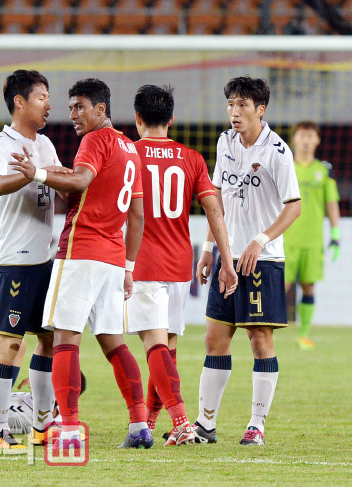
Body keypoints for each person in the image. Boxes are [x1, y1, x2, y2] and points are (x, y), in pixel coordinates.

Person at [11, 78, 151, 449]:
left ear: (100, 109)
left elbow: (82, 180)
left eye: (79, 107)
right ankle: (139, 426)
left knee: (64, 340)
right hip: (111, 258)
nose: (72, 114)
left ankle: (69, 428)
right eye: (70, 107)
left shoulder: (96, 140)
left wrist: (37, 173)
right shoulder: (129, 148)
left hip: (79, 251)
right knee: (114, 344)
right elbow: (137, 216)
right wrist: (128, 266)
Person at [195, 76, 301, 446]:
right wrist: (208, 247)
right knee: (215, 339)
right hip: (228, 256)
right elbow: (217, 198)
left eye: (242, 105)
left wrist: (261, 239)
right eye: (230, 105)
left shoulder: (278, 151)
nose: (234, 112)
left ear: (261, 110)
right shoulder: (225, 143)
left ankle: (256, 425)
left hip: (263, 260)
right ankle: (204, 425)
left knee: (259, 340)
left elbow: (295, 206)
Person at [129, 85, 238, 445]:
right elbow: (214, 210)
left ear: (138, 119)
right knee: (166, 349)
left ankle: (180, 422)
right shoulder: (191, 158)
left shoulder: (128, 154)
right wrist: (226, 259)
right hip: (179, 264)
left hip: (143, 262)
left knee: (154, 346)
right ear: (172, 119)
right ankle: (146, 424)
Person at [0, 70, 71, 449]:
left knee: (47, 339)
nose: (49, 104)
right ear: (20, 102)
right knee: (8, 344)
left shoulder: (46, 145)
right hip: (12, 260)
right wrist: (33, 175)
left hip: (45, 260)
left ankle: (40, 426)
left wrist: (52, 175)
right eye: (41, 97)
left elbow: (59, 181)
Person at [283, 121, 340, 350]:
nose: (306, 140)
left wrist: (335, 234)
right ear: (294, 139)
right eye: (302, 135)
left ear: (317, 140)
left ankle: (304, 335)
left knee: (308, 287)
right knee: (280, 287)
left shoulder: (324, 170)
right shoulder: (284, 167)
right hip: (286, 239)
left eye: (310, 136)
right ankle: (265, 333)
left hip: (313, 240)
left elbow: (331, 203)